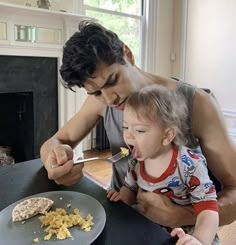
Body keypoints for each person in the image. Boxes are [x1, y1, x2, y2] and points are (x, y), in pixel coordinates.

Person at [40, 20, 236, 228]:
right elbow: (54, 142)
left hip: (183, 232)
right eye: (96, 92)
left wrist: (183, 215)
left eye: (112, 80)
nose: (109, 100)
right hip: (120, 214)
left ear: (128, 55)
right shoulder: (99, 102)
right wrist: (55, 161)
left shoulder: (196, 103)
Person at [107, 84, 219, 244]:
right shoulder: (136, 161)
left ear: (167, 136)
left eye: (139, 130)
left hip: (186, 233)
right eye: (125, 127)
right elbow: (130, 189)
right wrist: (122, 198)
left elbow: (208, 210)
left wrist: (199, 239)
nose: (128, 135)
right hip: (149, 229)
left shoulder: (190, 165)